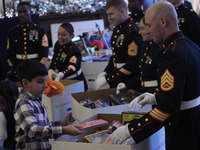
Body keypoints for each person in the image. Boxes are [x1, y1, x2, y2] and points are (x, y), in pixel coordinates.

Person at [111, 1, 200, 150]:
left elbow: (167, 107)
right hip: (194, 121)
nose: (149, 31)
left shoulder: (171, 54)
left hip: (183, 127)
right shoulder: (190, 45)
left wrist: (131, 130)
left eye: (149, 25)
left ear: (163, 21)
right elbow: (182, 88)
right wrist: (156, 96)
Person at [14, 59, 84, 150]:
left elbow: (43, 126)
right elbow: (33, 130)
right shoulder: (23, 102)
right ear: (25, 83)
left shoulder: (36, 99)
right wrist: (64, 130)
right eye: (40, 82)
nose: (45, 86)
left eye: (45, 81)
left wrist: (62, 123)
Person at [94, 0, 144, 90]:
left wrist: (108, 78)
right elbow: (115, 55)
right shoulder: (117, 29)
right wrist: (106, 71)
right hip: (117, 78)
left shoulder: (133, 32)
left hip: (128, 82)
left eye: (111, 14)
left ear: (122, 12)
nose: (108, 18)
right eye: (107, 14)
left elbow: (132, 65)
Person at [116, 17, 163, 94]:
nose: (139, 32)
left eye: (142, 28)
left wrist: (153, 95)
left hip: (155, 94)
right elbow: (142, 74)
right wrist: (126, 84)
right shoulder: (146, 47)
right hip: (144, 91)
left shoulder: (160, 48)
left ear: (151, 29)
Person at [7, 2, 49, 82]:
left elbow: (44, 54)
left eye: (25, 11)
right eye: (20, 12)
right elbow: (10, 55)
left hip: (35, 68)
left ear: (31, 12)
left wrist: (37, 69)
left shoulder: (39, 30)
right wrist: (16, 71)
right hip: (19, 68)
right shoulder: (13, 32)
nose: (22, 14)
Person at [48, 23, 88, 91]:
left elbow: (72, 66)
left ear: (72, 36)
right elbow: (55, 59)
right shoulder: (58, 44)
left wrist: (61, 74)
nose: (60, 37)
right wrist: (50, 69)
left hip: (75, 82)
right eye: (58, 34)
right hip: (62, 80)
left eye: (64, 35)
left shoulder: (74, 50)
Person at [0, 80, 19, 149]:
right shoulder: (22, 109)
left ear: (2, 97)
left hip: (10, 146)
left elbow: (3, 136)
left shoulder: (3, 114)